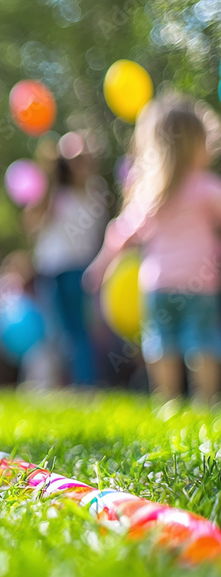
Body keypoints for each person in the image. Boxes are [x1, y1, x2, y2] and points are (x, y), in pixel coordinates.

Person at [84, 95, 221, 404]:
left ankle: (168, 402)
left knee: (161, 343)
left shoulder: (150, 193)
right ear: (196, 144)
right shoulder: (205, 187)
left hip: (159, 284)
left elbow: (119, 234)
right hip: (200, 284)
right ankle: (206, 401)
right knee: (203, 341)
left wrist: (99, 267)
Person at [24, 132, 108, 386]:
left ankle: (85, 384)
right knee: (58, 331)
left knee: (79, 331)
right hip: (53, 269)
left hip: (80, 269)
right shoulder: (53, 194)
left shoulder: (96, 191)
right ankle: (57, 384)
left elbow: (98, 233)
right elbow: (31, 225)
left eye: (84, 158)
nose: (81, 164)